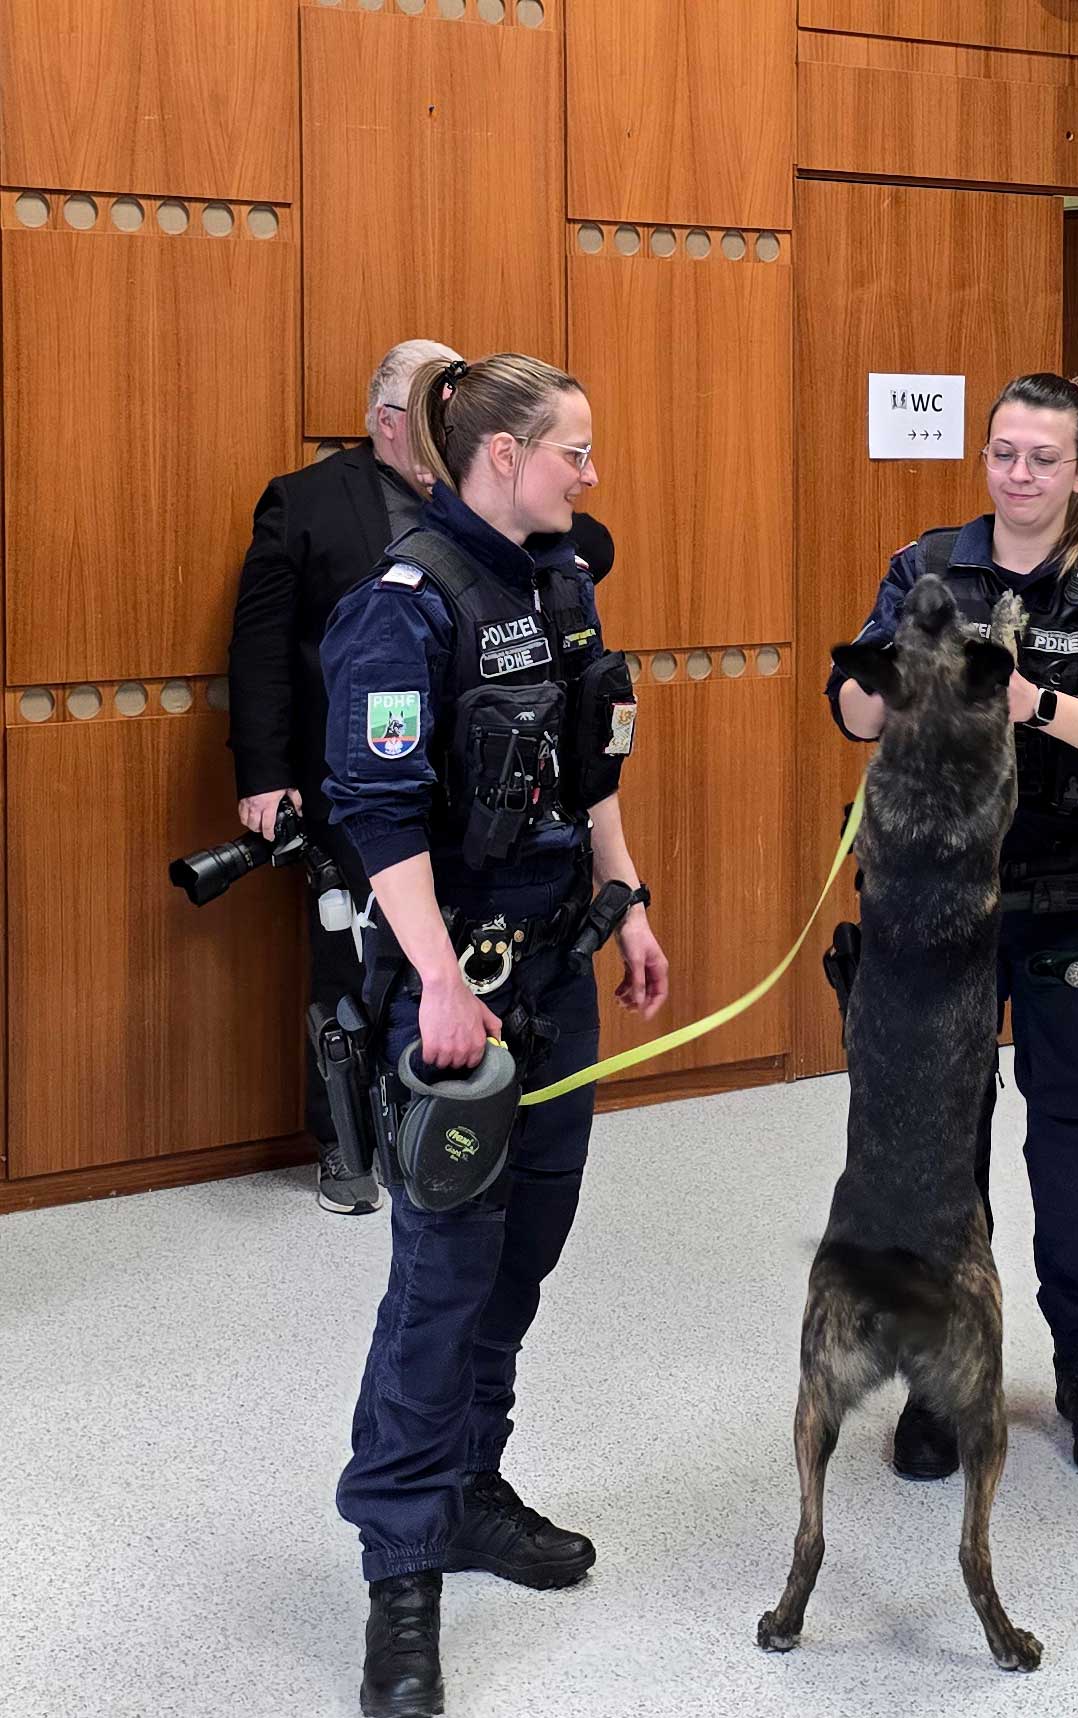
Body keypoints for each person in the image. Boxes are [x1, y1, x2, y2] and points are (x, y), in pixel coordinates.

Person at [322, 353, 667, 1718]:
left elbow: (591, 763)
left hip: (558, 972)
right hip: (451, 988)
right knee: (441, 1279)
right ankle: (400, 1572)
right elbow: (377, 816)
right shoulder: (401, 608)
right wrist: (437, 985)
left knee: (522, 1255)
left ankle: (470, 1486)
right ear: (503, 457)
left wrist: (626, 898)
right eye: (574, 450)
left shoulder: (561, 580)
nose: (591, 472)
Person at [828, 372, 1078, 1481]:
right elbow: (848, 708)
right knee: (932, 1149)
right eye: (1003, 453)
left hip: (1066, 900)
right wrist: (901, 682)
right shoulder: (926, 567)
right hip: (932, 903)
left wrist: (1032, 702)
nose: (1019, 475)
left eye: (1043, 458)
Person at [226, 337, 615, 1215]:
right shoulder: (310, 504)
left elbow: (588, 551)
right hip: (360, 777)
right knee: (356, 962)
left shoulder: (520, 529)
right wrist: (265, 774)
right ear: (383, 422)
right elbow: (262, 650)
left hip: (490, 793)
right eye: (428, 415)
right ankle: (349, 1139)